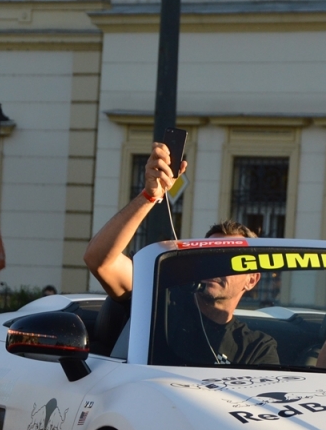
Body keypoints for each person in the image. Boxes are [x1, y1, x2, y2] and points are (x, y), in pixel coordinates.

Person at [83, 142, 278, 366]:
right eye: (208, 256)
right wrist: (149, 196)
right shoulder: (161, 299)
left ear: (252, 279)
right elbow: (98, 260)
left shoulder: (257, 347)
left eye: (228, 260)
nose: (214, 266)